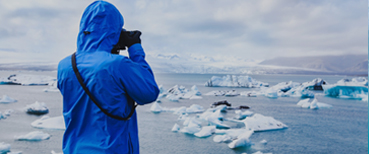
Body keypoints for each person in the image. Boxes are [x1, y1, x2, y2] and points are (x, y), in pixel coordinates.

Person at [57, 1, 159, 153]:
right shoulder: (117, 65)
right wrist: (135, 47)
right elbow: (149, 92)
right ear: (114, 31)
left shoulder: (65, 65)